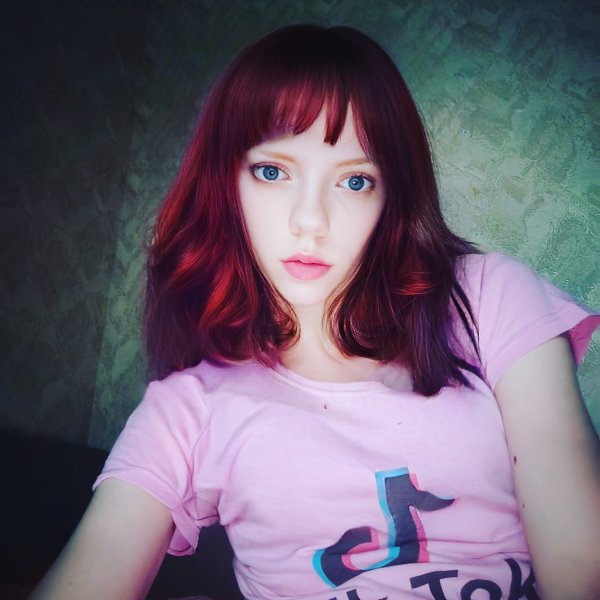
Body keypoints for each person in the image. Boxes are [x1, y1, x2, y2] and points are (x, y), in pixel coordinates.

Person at [31, 24, 600, 600]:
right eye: (272, 172)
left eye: (354, 180)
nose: (311, 221)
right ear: (225, 183)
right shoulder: (188, 409)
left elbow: (582, 569)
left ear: (391, 195)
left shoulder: (487, 297)